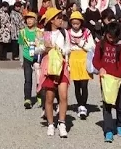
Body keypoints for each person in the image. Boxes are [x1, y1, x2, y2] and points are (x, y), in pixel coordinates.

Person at [36, 8, 71, 138]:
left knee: (63, 96)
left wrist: (62, 50)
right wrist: (44, 47)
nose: (61, 20)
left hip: (61, 66)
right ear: (51, 20)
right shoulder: (42, 33)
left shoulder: (64, 33)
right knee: (49, 97)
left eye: (61, 17)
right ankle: (51, 124)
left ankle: (62, 123)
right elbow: (36, 50)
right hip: (49, 67)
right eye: (58, 18)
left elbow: (68, 47)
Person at [93, 22, 121, 141]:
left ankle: (120, 124)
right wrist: (100, 68)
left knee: (120, 104)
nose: (112, 40)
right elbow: (95, 60)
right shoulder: (100, 44)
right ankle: (108, 130)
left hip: (118, 79)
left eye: (114, 37)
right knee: (107, 104)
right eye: (109, 37)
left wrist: (117, 77)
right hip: (105, 79)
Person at [68, 11, 95, 119]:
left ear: (81, 23)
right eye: (73, 23)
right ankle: (80, 105)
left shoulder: (87, 32)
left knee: (84, 84)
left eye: (77, 23)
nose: (75, 25)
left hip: (84, 58)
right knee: (77, 84)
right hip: (73, 59)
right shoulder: (68, 33)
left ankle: (83, 106)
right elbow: (66, 46)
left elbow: (92, 46)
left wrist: (81, 43)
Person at [19, 12, 42, 109]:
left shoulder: (39, 31)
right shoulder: (22, 32)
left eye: (31, 19)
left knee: (39, 79)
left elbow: (42, 45)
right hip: (26, 56)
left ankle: (40, 96)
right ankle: (27, 99)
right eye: (27, 19)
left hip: (37, 57)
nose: (29, 21)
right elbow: (20, 45)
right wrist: (21, 60)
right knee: (27, 79)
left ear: (35, 20)